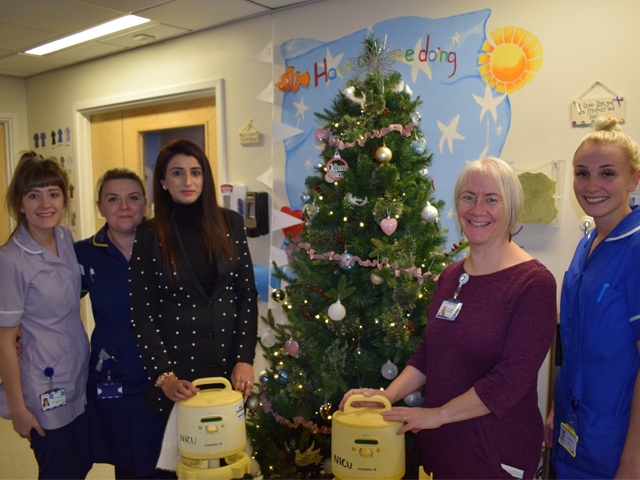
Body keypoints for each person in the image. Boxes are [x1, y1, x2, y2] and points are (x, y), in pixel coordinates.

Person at [340, 157, 557, 478]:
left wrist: (437, 414)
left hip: (494, 452)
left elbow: (509, 381)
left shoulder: (533, 283)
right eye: (468, 197)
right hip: (441, 446)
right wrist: (386, 397)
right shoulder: (451, 276)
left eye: (492, 199)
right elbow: (429, 355)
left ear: (512, 207)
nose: (477, 209)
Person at [130, 139, 258, 418]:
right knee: (179, 460)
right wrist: (165, 376)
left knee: (227, 455)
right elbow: (142, 313)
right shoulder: (148, 235)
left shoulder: (231, 224)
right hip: (179, 376)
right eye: (177, 172)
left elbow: (246, 295)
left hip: (228, 369)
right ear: (163, 181)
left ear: (205, 179)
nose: (187, 180)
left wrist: (244, 359)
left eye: (195, 172)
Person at [545, 117, 640, 478]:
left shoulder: (635, 248)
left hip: (614, 448)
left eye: (607, 173)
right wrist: (557, 409)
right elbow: (576, 343)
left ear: (634, 179)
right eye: (582, 173)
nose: (592, 185)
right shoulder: (588, 244)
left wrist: (633, 462)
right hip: (575, 434)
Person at [74, 168, 170, 479]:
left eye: (133, 198)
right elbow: (53, 305)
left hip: (165, 375)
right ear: (100, 206)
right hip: (113, 376)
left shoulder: (167, 248)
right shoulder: (84, 254)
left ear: (146, 204)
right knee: (127, 466)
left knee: (167, 464)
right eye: (113, 199)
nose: (124, 207)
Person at [0, 152, 91, 479]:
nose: (45, 203)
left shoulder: (65, 238)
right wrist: (19, 410)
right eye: (33, 195)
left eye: (53, 193)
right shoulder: (11, 260)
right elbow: (5, 343)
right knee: (59, 470)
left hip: (77, 374)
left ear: (64, 199)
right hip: (42, 385)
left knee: (81, 464)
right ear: (19, 203)